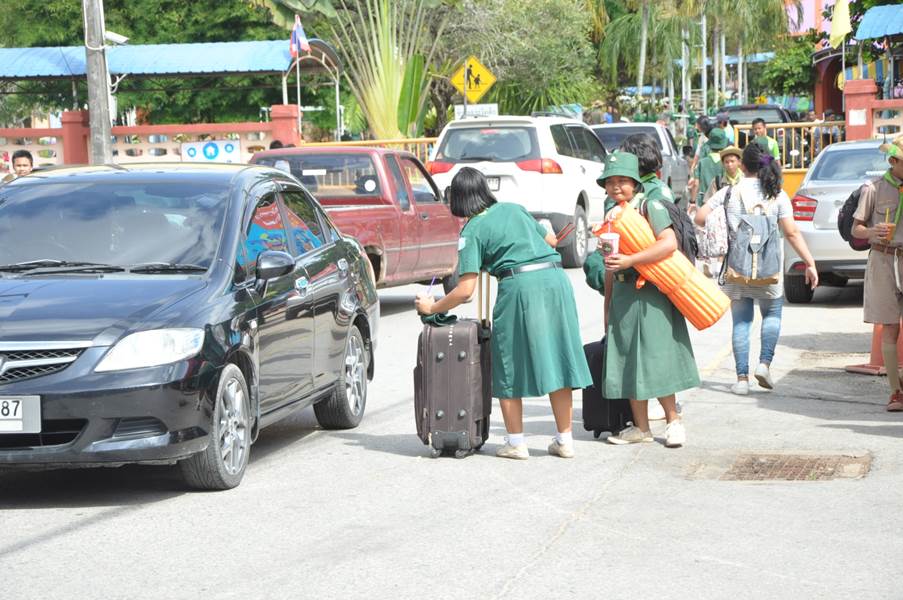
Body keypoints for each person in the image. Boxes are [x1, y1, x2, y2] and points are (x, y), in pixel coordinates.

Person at [414, 167, 592, 459]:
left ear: (457, 200)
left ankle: (516, 442)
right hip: (556, 281)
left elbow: (465, 290)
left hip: (519, 287)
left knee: (508, 361)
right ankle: (564, 440)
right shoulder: (513, 208)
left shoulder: (472, 230)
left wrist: (431, 307)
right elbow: (551, 241)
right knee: (558, 357)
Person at [584, 151, 698, 447]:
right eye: (610, 182)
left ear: (635, 183)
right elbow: (611, 264)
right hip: (623, 293)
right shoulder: (611, 215)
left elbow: (668, 244)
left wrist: (631, 260)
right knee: (627, 360)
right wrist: (607, 304)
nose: (616, 186)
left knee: (657, 357)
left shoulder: (650, 207)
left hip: (651, 293)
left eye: (623, 181)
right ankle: (641, 428)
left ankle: (673, 421)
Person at [693, 142, 818, 396]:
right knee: (772, 314)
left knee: (741, 321)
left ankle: (741, 380)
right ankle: (764, 364)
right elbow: (792, 233)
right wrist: (810, 263)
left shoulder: (729, 192)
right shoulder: (777, 194)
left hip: (736, 267)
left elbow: (700, 217)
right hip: (769, 269)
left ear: (742, 165)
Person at [851, 135, 903, 411]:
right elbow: (856, 229)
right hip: (883, 259)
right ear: (893, 161)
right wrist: (872, 231)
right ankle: (896, 391)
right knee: (890, 325)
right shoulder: (873, 189)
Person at [694, 127, 729, 208]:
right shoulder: (728, 163)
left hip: (704, 203)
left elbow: (696, 184)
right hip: (723, 202)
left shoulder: (702, 163)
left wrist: (692, 201)